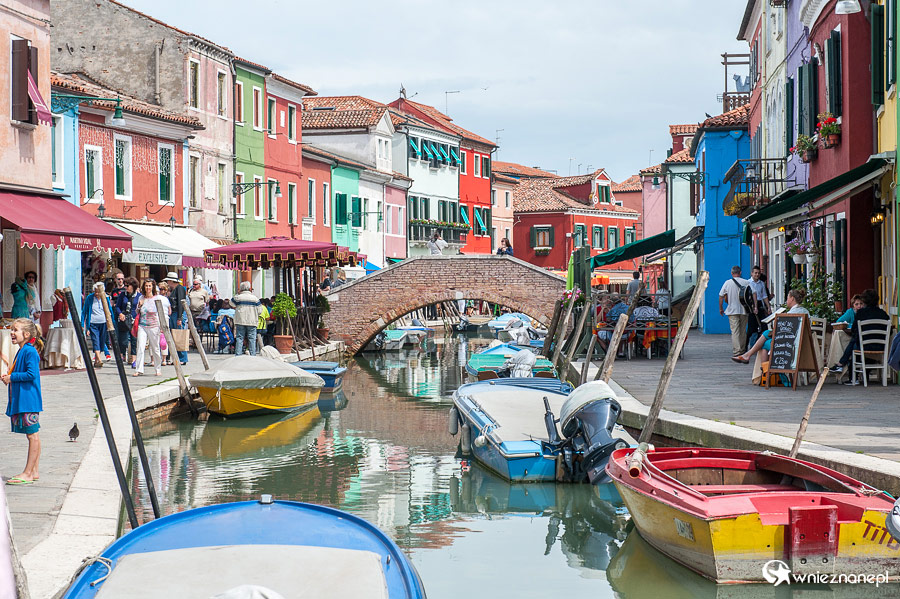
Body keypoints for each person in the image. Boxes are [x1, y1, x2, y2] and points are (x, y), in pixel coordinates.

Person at [3, 318, 44, 484]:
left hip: (29, 400)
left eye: (16, 330)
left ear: (26, 334)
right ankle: (34, 471)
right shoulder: (23, 350)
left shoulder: (29, 352)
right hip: (24, 399)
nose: (12, 333)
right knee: (34, 435)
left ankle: (27, 472)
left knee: (32, 435)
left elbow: (31, 374)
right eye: (12, 330)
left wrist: (12, 377)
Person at [732, 288, 809, 364]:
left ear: (792, 299)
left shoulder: (791, 314)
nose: (787, 300)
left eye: (788, 298)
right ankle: (749, 357)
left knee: (765, 343)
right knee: (766, 335)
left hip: (789, 345)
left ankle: (764, 373)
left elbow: (783, 331)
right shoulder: (806, 312)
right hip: (804, 343)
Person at [828, 289, 890, 381]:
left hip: (863, 347)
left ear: (864, 301)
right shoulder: (883, 314)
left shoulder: (861, 313)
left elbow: (854, 330)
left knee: (854, 341)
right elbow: (890, 331)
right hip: (881, 347)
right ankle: (847, 369)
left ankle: (846, 369)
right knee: (855, 340)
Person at [135, 279, 166, 377]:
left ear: (153, 287)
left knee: (155, 348)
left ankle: (158, 368)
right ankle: (139, 369)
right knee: (140, 347)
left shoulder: (157, 298)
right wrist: (139, 306)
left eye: (149, 286)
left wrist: (162, 326)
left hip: (154, 326)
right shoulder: (141, 297)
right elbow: (137, 311)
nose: (148, 288)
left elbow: (161, 312)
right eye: (146, 286)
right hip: (142, 325)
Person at [719, 265, 749, 357]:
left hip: (732, 310)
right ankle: (743, 349)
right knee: (743, 331)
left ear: (732, 273)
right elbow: (754, 294)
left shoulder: (727, 283)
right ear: (740, 273)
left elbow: (721, 296)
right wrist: (754, 306)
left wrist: (721, 308)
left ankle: (737, 351)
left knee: (735, 331)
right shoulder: (746, 282)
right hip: (744, 309)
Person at [81, 282, 112, 368]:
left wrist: (111, 322)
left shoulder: (105, 298)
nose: (97, 294)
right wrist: (82, 324)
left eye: (98, 292)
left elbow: (110, 310)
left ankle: (97, 361)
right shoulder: (89, 298)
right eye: (95, 291)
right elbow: (84, 311)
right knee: (95, 340)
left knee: (102, 341)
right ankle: (99, 359)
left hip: (103, 323)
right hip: (93, 323)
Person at [231, 281, 263, 356]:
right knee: (252, 339)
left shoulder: (238, 298)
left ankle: (238, 355)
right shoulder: (255, 298)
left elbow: (231, 303)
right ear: (249, 288)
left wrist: (238, 293)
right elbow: (260, 310)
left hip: (240, 321)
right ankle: (253, 355)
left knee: (240, 338)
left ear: (241, 289)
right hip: (252, 321)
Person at [164, 272, 188, 366]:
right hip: (173, 314)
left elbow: (181, 303)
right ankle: (176, 357)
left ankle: (182, 357)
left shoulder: (180, 288)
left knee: (179, 335)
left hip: (177, 314)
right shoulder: (173, 289)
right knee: (174, 336)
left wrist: (179, 317)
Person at [113, 277, 139, 363]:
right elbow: (117, 306)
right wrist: (120, 313)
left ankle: (133, 359)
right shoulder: (122, 295)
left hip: (134, 320)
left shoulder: (138, 296)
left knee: (134, 340)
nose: (126, 287)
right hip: (124, 320)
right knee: (123, 340)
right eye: (126, 285)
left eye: (128, 285)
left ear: (133, 286)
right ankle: (122, 356)